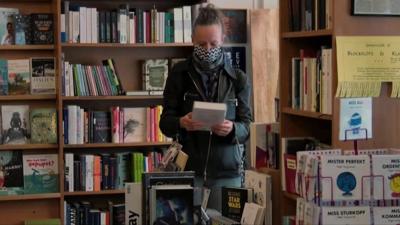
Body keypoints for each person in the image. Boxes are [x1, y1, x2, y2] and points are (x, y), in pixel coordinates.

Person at [159, 4, 252, 212]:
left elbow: (247, 127)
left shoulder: (238, 78)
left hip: (228, 174)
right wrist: (181, 122)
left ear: (223, 41)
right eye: (202, 44)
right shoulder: (179, 74)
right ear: (192, 39)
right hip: (190, 171)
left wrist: (232, 129)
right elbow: (164, 123)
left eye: (214, 43)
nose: (208, 49)